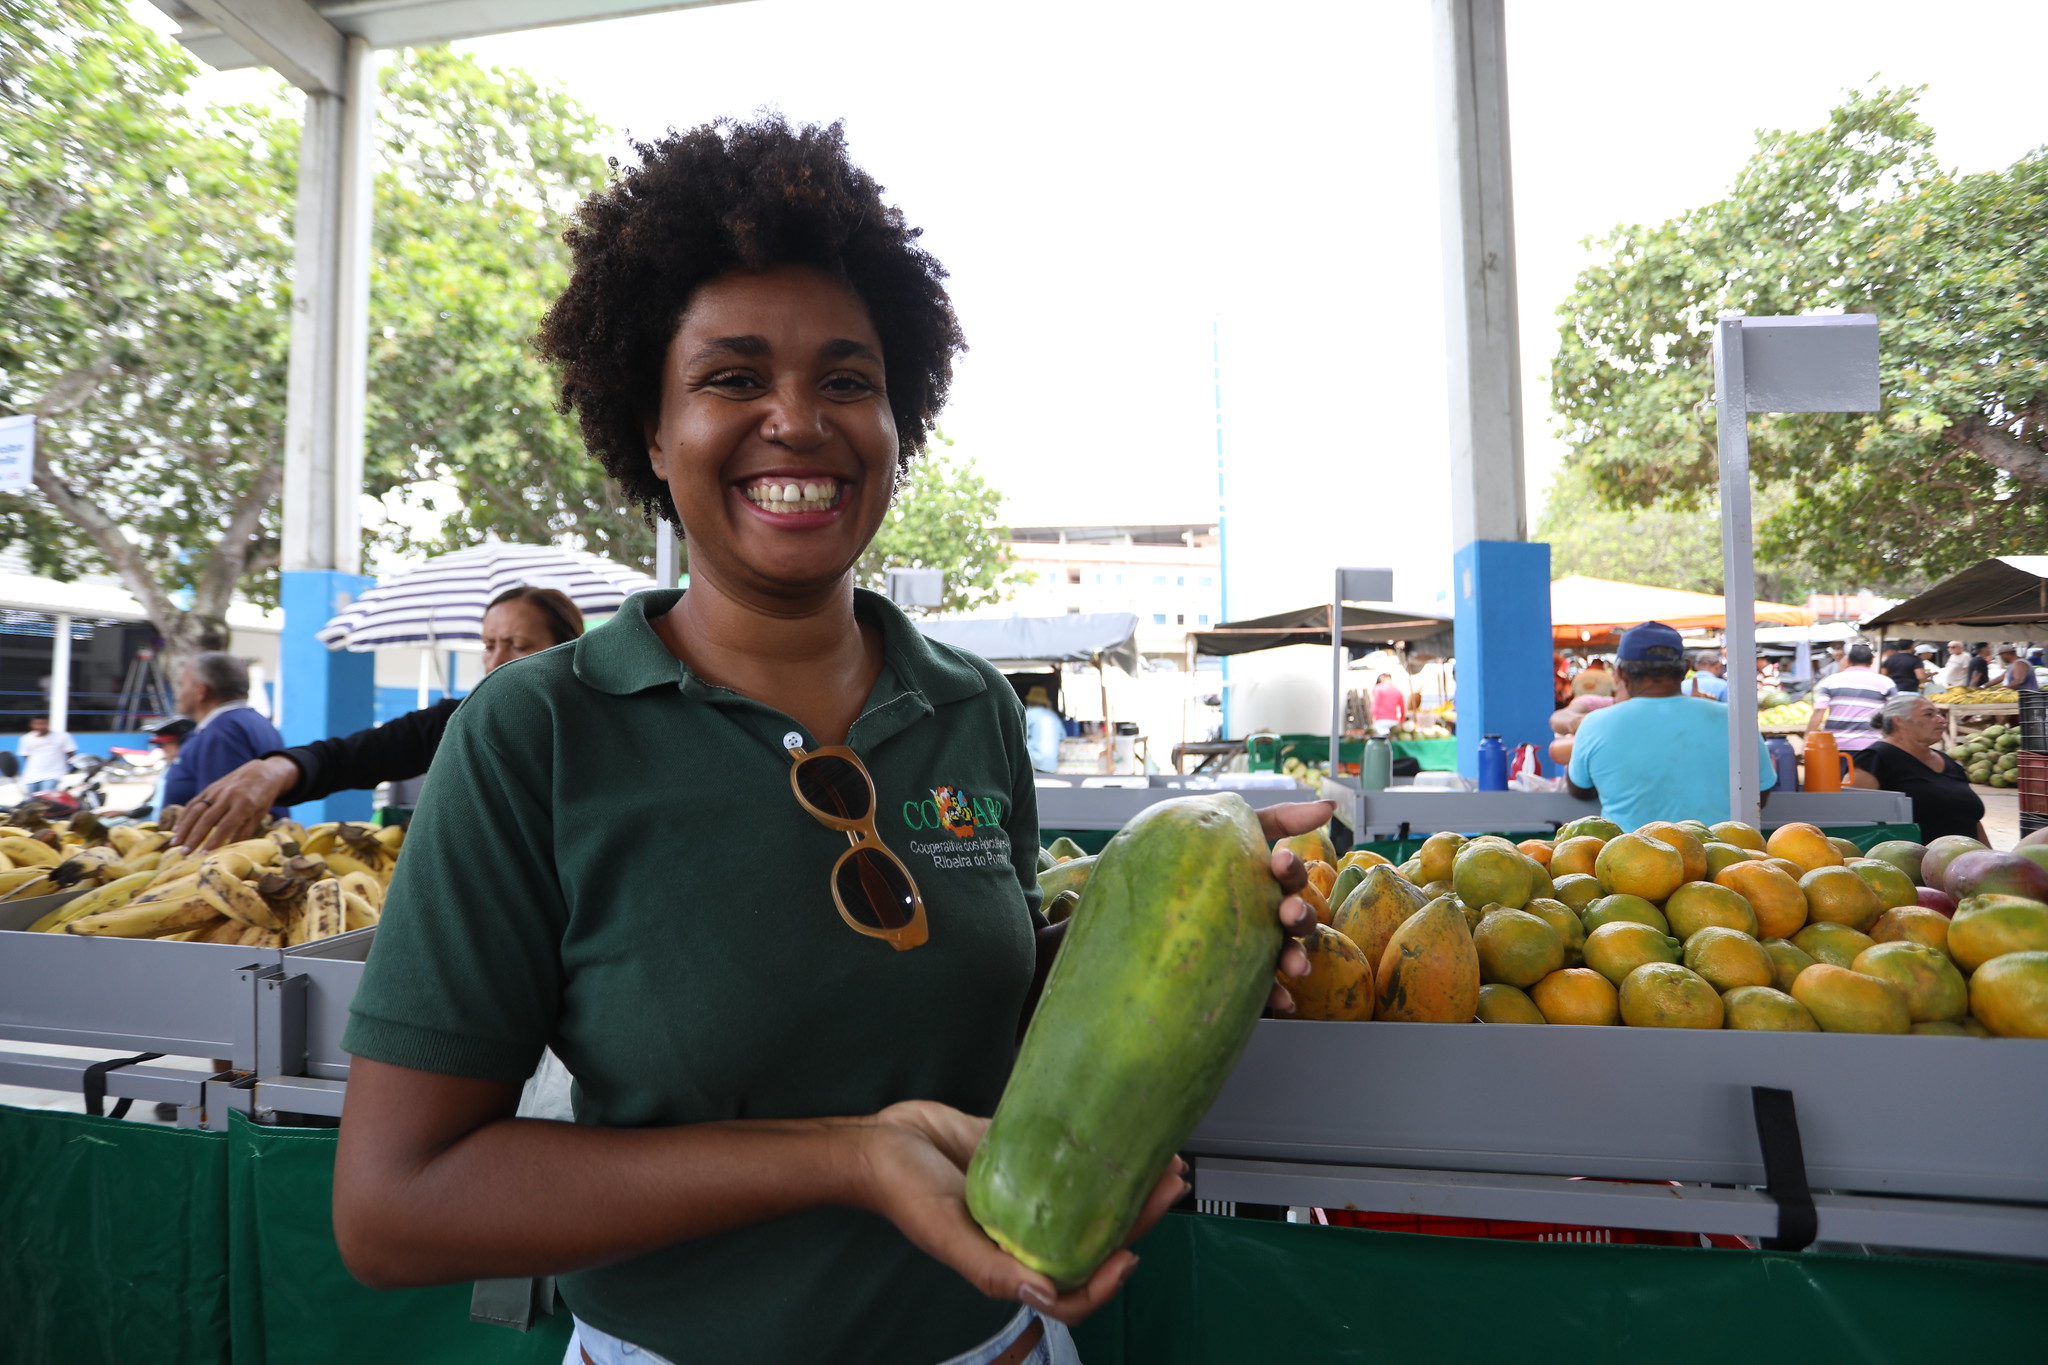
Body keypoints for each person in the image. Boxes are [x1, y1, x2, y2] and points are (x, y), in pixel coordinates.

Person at [327, 116, 1329, 1365]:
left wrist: (1178, 942)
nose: (797, 421)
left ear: (898, 420)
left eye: (847, 380)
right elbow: (392, 1206)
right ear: (649, 430)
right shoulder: (537, 732)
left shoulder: (972, 712)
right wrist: (843, 1161)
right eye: (733, 377)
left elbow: (972, 1030)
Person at [171, 585, 585, 850]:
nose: (495, 661)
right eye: (488, 644)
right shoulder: (456, 720)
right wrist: (276, 769)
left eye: (516, 645)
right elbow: (350, 756)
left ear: (564, 650)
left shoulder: (595, 731)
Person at [1566, 621, 1774, 830]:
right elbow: (1759, 795)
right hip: (1720, 857)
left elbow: (1580, 790)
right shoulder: (1734, 720)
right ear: (1685, 669)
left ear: (1621, 673)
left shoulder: (1595, 724)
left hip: (1628, 857)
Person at [1848, 694, 1989, 844]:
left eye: (1940, 714)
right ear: (1899, 721)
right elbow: (1851, 819)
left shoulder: (1948, 762)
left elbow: (1970, 819)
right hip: (1911, 862)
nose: (1942, 720)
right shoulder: (1875, 758)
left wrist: (1989, 857)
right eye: (1929, 714)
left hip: (1966, 859)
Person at [160, 654, 288, 816]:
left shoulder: (223, 732)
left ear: (201, 692)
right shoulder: (256, 722)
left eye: (182, 685)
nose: (178, 694)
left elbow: (220, 812)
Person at [1806, 643, 1896, 756]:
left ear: (1848, 660)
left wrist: (1807, 737)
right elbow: (1895, 712)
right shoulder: (1885, 683)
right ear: (1872, 660)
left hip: (1836, 745)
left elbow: (1819, 711)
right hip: (1872, 745)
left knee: (1838, 774)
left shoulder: (1831, 681)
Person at [16, 715, 76, 795]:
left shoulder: (62, 736)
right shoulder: (26, 739)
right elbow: (26, 757)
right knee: (32, 802)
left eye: (43, 723)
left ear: (48, 724)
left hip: (53, 775)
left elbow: (71, 754)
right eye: (38, 724)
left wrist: (67, 768)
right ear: (32, 725)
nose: (41, 726)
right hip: (31, 777)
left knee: (46, 800)